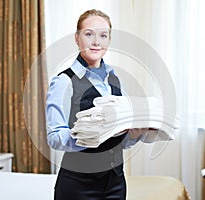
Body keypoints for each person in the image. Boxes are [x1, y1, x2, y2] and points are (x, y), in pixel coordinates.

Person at [46, 9, 147, 200]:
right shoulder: (63, 81)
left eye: (103, 35)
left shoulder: (115, 80)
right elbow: (54, 137)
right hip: (78, 185)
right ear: (77, 38)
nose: (96, 42)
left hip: (116, 183)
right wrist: (89, 135)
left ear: (109, 40)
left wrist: (135, 133)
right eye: (89, 34)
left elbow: (120, 139)